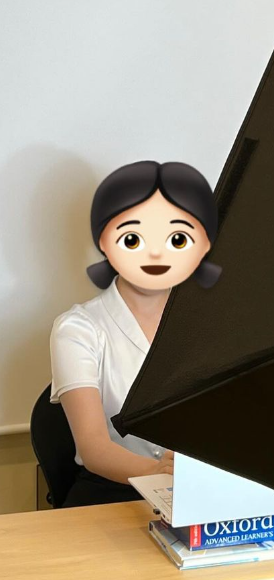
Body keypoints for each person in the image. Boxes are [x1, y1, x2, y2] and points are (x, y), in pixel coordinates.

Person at [49, 160, 222, 507]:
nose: (155, 253)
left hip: (202, 492)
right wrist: (159, 472)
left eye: (177, 238)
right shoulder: (77, 328)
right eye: (133, 238)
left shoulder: (215, 324)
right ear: (105, 241)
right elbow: (94, 449)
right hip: (113, 495)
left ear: (203, 245)